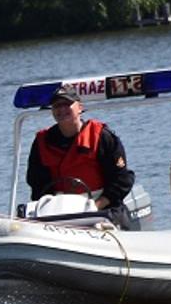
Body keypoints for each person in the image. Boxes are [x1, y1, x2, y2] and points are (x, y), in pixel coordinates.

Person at [27, 86, 135, 225]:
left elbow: (122, 180)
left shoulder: (102, 136)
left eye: (67, 104)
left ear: (79, 107)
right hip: (58, 213)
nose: (62, 109)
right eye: (57, 105)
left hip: (101, 209)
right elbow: (37, 184)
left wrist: (95, 206)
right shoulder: (42, 142)